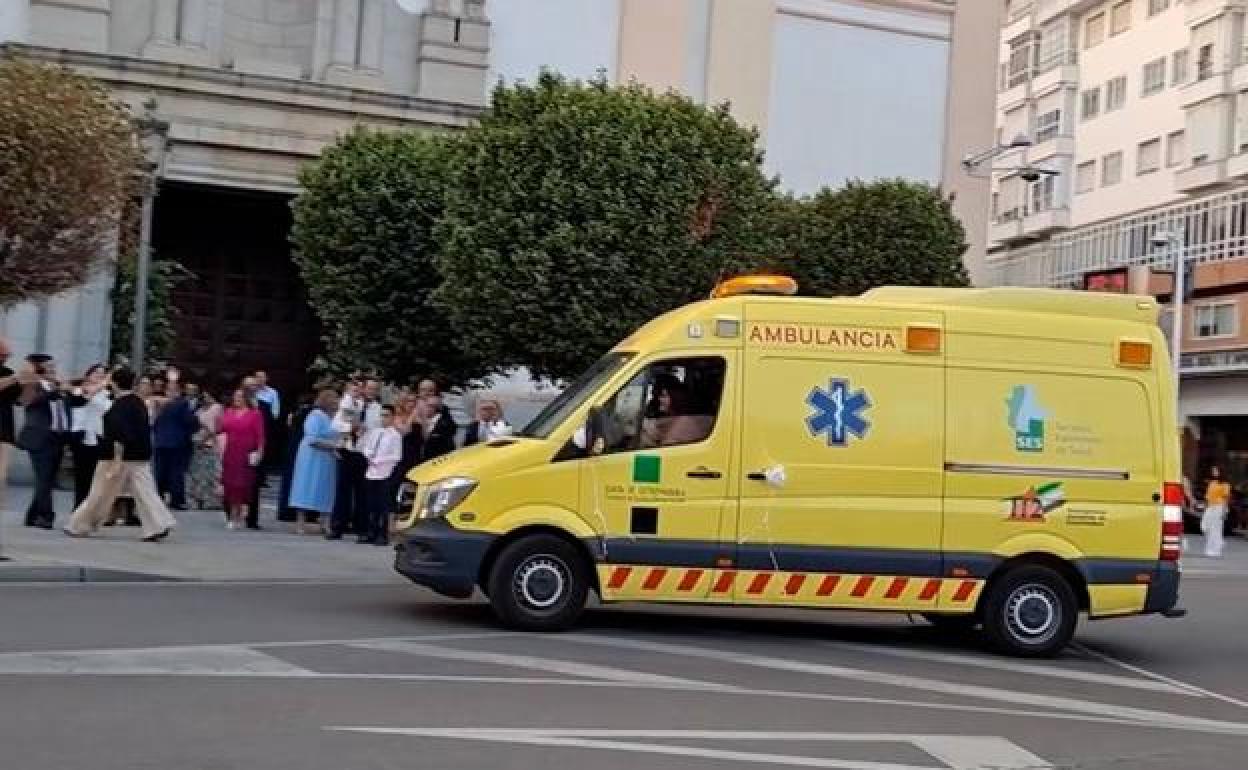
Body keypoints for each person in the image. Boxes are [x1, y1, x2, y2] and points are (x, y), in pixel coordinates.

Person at [63, 367, 175, 542]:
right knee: (146, 492)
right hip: (139, 455)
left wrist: (117, 456)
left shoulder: (119, 406)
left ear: (114, 383)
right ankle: (158, 523)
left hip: (115, 455)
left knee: (100, 492)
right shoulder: (138, 403)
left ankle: (79, 524)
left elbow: (120, 433)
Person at [17, 353, 70, 529]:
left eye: (54, 366)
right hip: (39, 438)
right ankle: (46, 516)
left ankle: (32, 515)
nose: (53, 369)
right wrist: (54, 390)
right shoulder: (31, 385)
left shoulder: (58, 387)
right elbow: (28, 401)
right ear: (39, 368)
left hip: (57, 438)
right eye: (49, 366)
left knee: (47, 479)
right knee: (44, 478)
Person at [329, 378, 382, 540]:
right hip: (348, 450)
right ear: (363, 389)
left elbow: (379, 431)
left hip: (365, 454)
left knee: (363, 492)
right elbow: (335, 425)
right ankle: (337, 526)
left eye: (375, 389)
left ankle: (362, 529)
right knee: (342, 490)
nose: (371, 392)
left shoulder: (378, 409)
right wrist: (351, 427)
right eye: (369, 388)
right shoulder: (351, 403)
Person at [288, 388, 340, 535]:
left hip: (328, 457)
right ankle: (300, 523)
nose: (337, 402)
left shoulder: (335, 418)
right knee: (306, 485)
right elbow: (311, 439)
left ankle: (325, 522)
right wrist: (333, 445)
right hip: (311, 456)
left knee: (326, 488)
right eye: (334, 399)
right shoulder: (315, 415)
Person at [66, 364, 112, 508]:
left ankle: (90, 510)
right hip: (81, 438)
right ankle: (78, 509)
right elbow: (81, 399)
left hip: (99, 438)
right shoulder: (79, 389)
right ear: (88, 374)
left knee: (96, 478)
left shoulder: (107, 394)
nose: (99, 375)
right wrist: (100, 386)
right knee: (82, 478)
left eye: (103, 373)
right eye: (96, 372)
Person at [219, 388, 265, 530]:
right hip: (230, 452)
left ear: (246, 398)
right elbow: (221, 429)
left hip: (245, 453)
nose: (236, 399)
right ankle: (232, 514)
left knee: (242, 485)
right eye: (235, 396)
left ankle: (237, 515)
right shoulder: (228, 412)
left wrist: (260, 451)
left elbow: (260, 435)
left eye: (240, 396)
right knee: (229, 484)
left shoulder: (255, 414)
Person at [151, 376, 200, 511]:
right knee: (176, 472)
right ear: (178, 391)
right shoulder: (182, 403)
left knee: (160, 471)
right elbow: (190, 421)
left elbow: (154, 422)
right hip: (177, 442)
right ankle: (176, 500)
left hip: (160, 441)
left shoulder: (158, 404)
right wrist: (192, 429)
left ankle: (159, 496)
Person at [358, 404, 402, 545]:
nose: (383, 418)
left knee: (383, 505)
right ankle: (370, 531)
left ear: (393, 417)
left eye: (386, 416)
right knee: (370, 504)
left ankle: (382, 534)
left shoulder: (395, 435)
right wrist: (369, 455)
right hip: (371, 472)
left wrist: (380, 460)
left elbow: (396, 456)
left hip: (385, 473)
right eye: (382, 415)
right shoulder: (375, 432)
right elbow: (367, 447)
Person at [277, 392, 315, 523]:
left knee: (290, 479)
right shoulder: (310, 414)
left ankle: (286, 511)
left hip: (293, 447)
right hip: (303, 448)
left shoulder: (295, 414)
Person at [641, 380, 714, 448]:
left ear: (675, 398)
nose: (659, 399)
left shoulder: (684, 423)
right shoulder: (676, 418)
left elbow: (664, 453)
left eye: (664, 396)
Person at [0, 337, 25, 517]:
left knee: (1, 472)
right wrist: (15, 378)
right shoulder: (10, 376)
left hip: (4, 428)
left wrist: (32, 383)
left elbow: (21, 401)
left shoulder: (8, 372)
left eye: (6, 355)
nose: (4, 358)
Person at [187, 391, 223, 510]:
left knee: (211, 474)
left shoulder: (217, 408)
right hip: (197, 444)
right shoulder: (198, 410)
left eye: (208, 396)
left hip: (210, 444)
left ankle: (211, 501)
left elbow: (219, 427)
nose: (206, 398)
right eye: (204, 396)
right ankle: (198, 499)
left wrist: (208, 436)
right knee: (197, 473)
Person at [420, 392, 458, 462]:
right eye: (427, 405)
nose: (429, 408)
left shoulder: (445, 421)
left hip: (440, 459)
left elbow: (452, 430)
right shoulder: (421, 420)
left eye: (432, 406)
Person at [1203, 466, 1231, 558]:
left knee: (1215, 529)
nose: (1213, 472)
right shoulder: (1212, 483)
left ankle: (1214, 550)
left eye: (1215, 471)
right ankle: (1219, 542)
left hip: (1219, 507)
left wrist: (1224, 512)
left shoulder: (1225, 484)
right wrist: (1205, 508)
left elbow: (1226, 499)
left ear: (1220, 472)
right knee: (1205, 526)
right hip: (1210, 507)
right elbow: (1207, 497)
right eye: (1213, 471)